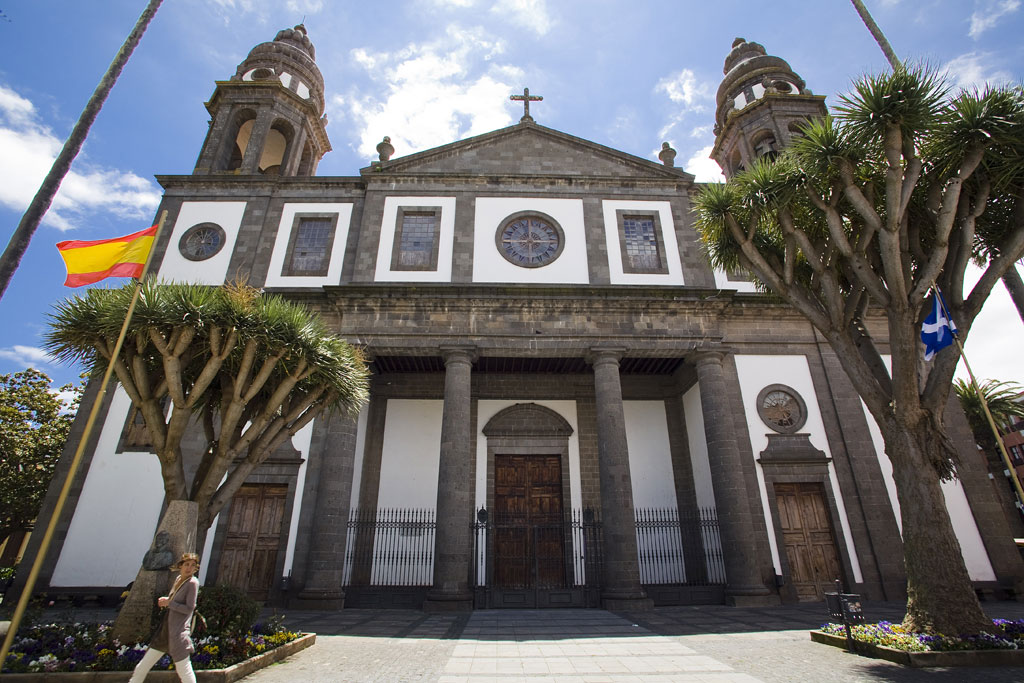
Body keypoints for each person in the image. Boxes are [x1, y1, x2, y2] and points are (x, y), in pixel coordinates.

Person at [129, 552, 201, 683]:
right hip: (165, 633)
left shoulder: (192, 583)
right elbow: (175, 602)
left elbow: (189, 608)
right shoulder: (179, 579)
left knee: (184, 671)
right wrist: (167, 601)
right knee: (142, 667)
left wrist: (170, 603)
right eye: (186, 564)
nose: (189, 568)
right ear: (181, 565)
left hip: (178, 635)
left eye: (192, 566)